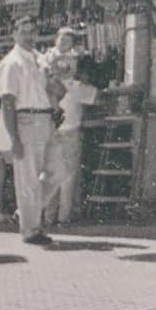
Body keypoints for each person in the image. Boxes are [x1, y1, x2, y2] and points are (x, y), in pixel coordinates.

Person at [0, 16, 56, 245]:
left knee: (60, 168)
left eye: (32, 31)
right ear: (14, 34)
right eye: (24, 31)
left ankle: (27, 211)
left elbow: (54, 88)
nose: (29, 36)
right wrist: (14, 138)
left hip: (46, 119)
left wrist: (53, 76)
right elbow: (7, 102)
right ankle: (30, 230)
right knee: (28, 178)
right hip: (26, 120)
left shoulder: (39, 60)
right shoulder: (11, 63)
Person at [43, 55, 98, 227]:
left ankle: (48, 216)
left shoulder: (49, 86)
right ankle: (64, 216)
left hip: (52, 132)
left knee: (53, 174)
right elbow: (97, 97)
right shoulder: (77, 87)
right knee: (68, 175)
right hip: (70, 133)